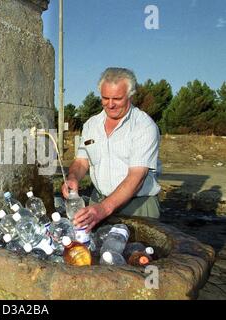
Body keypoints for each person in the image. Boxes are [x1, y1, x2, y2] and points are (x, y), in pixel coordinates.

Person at [61, 67, 161, 233]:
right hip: (98, 201)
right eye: (105, 98)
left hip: (137, 205)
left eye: (117, 98)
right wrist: (73, 177)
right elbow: (81, 162)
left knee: (138, 255)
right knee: (93, 253)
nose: (110, 104)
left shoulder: (144, 126)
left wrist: (103, 209)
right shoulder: (91, 125)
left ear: (130, 95)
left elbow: (137, 177)